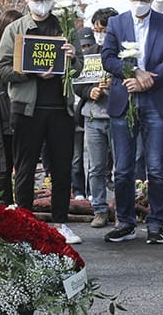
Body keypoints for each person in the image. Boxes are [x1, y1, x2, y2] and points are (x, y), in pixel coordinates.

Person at [0, 0, 84, 244]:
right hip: (27, 110)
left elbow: (80, 66)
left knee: (61, 168)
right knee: (24, 168)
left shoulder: (65, 28)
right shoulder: (15, 30)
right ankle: (25, 223)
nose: (43, 4)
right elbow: (2, 70)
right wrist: (31, 72)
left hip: (60, 109)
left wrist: (72, 59)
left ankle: (60, 222)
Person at [102, 0, 163, 245]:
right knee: (122, 168)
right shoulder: (116, 23)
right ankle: (125, 222)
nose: (140, 3)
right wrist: (133, 72)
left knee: (156, 167)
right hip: (124, 100)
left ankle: (156, 223)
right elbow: (107, 57)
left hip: (155, 100)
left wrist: (148, 80)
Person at [74, 8, 118, 228]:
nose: (100, 34)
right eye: (97, 29)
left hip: (117, 115)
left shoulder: (124, 52)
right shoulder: (88, 53)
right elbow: (76, 82)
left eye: (105, 29)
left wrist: (116, 84)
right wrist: (88, 91)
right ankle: (99, 209)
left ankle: (121, 209)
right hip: (92, 116)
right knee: (96, 167)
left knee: (121, 167)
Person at [0, 10, 24, 205]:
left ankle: (20, 206)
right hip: (0, 116)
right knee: (4, 164)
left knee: (21, 165)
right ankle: (6, 206)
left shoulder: (22, 52)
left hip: (19, 113)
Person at [71, 26, 95, 201]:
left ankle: (92, 190)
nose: (86, 50)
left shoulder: (98, 60)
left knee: (95, 158)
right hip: (74, 114)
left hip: (93, 112)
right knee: (76, 157)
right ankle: (78, 190)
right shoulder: (72, 62)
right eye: (83, 47)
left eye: (89, 46)